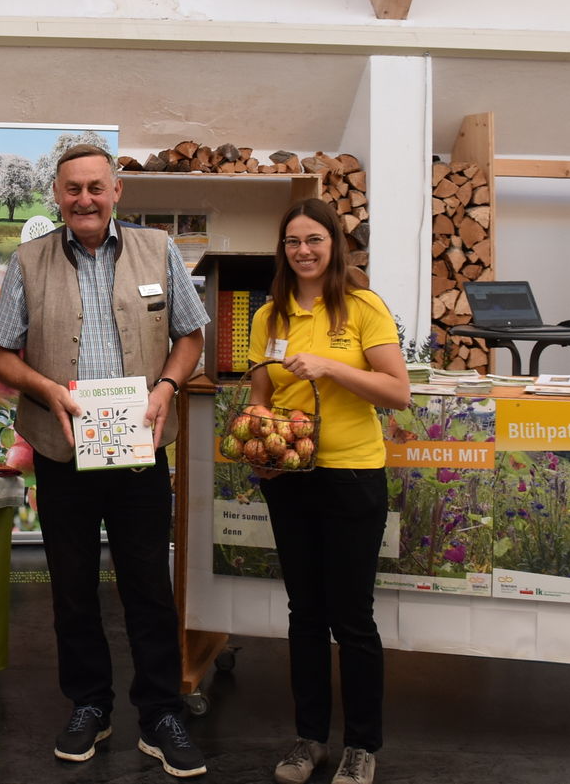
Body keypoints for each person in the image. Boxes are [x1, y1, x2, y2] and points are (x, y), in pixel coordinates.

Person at [0, 144, 210, 778]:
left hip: (138, 451)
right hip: (62, 450)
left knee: (148, 587)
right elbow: (1, 352)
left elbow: (191, 336)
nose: (84, 199)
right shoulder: (28, 261)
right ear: (56, 197)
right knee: (74, 588)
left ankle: (161, 713)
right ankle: (89, 704)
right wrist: (46, 388)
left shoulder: (157, 250)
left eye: (95, 187)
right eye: (71, 189)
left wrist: (166, 387)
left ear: (117, 193)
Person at [244, 197, 410, 784]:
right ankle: (308, 738)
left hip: (353, 477)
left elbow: (398, 391)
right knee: (305, 614)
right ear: (282, 250)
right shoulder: (270, 316)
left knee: (352, 618)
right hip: (291, 480)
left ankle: (362, 745)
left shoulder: (363, 308)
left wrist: (332, 367)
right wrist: (260, 441)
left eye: (314, 239)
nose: (304, 251)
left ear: (334, 245)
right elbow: (261, 393)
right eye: (293, 242)